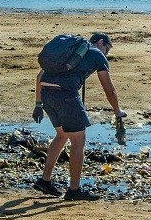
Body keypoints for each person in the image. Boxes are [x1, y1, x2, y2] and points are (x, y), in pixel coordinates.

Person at [31, 32, 126, 201]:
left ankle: (44, 181)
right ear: (101, 42)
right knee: (78, 141)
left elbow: (40, 77)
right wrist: (118, 112)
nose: (107, 53)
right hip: (66, 95)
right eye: (107, 49)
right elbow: (109, 89)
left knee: (61, 136)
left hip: (47, 94)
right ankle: (74, 190)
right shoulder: (97, 54)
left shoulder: (68, 52)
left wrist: (38, 104)